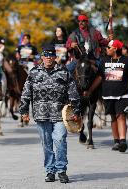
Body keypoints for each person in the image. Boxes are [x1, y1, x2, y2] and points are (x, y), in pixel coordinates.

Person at [19, 44, 81, 183]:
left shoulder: (64, 72)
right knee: (46, 143)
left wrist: (76, 110)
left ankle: (62, 170)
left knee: (59, 140)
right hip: (41, 115)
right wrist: (24, 111)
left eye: (51, 55)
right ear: (42, 57)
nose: (48, 58)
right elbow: (26, 93)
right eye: (45, 55)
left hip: (60, 115)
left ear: (55, 56)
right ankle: (50, 170)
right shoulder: (34, 72)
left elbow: (73, 92)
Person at [83, 40, 128, 152]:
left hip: (124, 95)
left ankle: (123, 141)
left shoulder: (127, 61)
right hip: (108, 95)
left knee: (121, 116)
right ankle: (116, 141)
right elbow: (99, 78)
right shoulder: (104, 61)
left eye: (108, 47)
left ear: (115, 48)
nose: (106, 49)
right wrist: (90, 90)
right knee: (113, 117)